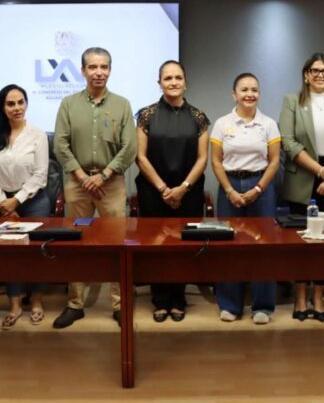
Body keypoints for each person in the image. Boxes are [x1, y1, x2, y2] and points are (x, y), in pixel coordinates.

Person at [52, 47, 137, 329]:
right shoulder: (68, 104)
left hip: (111, 184)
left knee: (116, 242)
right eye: (92, 67)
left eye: (104, 67)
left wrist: (103, 175)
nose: (98, 72)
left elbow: (129, 147)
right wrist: (81, 175)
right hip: (77, 184)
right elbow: (60, 144)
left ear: (110, 70)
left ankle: (119, 304)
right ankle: (75, 304)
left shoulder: (122, 105)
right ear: (82, 70)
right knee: (76, 242)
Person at [279, 53, 324, 323]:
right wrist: (320, 171)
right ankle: (300, 295)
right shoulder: (292, 101)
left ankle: (319, 296)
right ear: (306, 74)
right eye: (315, 70)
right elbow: (288, 142)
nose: (320, 75)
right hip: (303, 179)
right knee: (301, 243)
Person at [135, 60, 209, 323]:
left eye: (178, 77)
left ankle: (178, 299)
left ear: (186, 82)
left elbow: (202, 158)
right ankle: (160, 299)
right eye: (167, 78)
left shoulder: (198, 117)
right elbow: (140, 157)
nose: (173, 82)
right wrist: (164, 189)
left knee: (182, 246)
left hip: (188, 191)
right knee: (157, 246)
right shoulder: (146, 115)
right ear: (159, 83)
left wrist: (182, 188)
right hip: (154, 191)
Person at [210, 73, 281, 324]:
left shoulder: (268, 124)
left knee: (263, 247)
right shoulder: (222, 123)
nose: (249, 94)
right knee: (229, 246)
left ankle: (263, 307)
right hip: (229, 185)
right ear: (234, 94)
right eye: (244, 90)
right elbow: (215, 161)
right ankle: (230, 305)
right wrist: (230, 190)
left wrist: (258, 189)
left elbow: (274, 160)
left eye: (254, 90)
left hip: (261, 186)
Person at [0, 84, 50, 329]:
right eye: (10, 104)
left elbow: (41, 174)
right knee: (9, 255)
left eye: (20, 102)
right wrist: (2, 201)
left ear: (26, 104)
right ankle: (14, 305)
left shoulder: (37, 134)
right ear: (2, 107)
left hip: (33, 201)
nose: (16, 108)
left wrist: (17, 200)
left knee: (36, 253)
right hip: (2, 203)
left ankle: (36, 302)